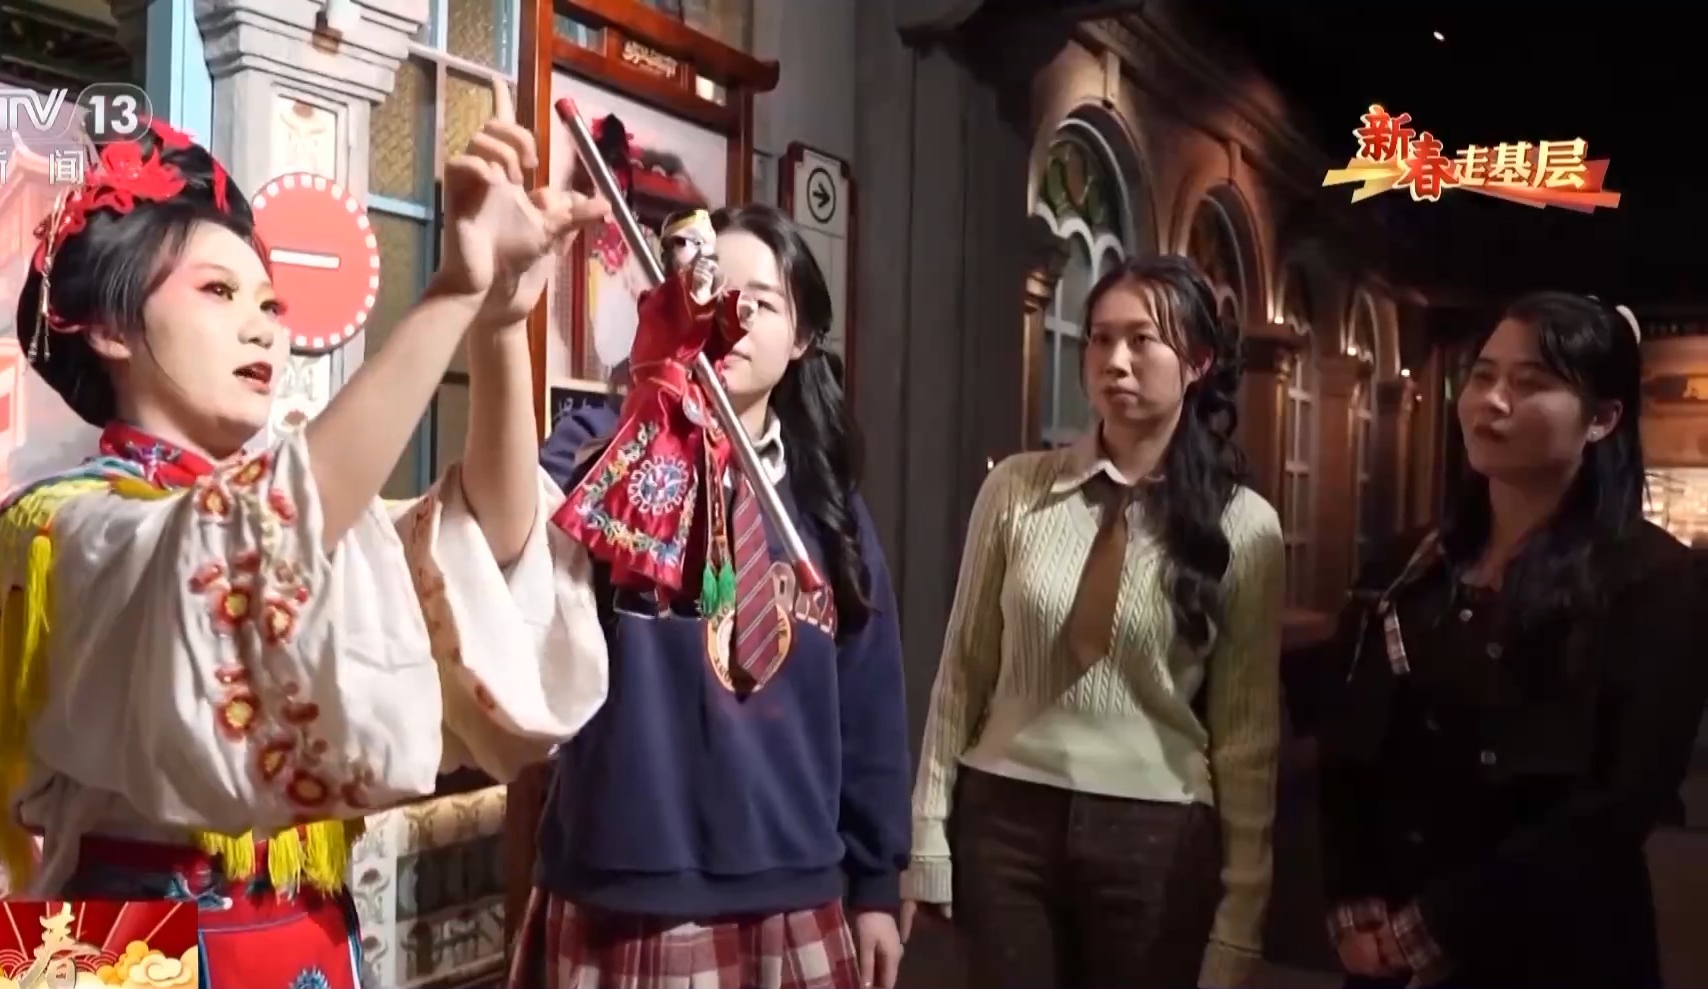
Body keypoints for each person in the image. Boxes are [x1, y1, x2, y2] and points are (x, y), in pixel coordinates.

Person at [0, 81, 613, 989]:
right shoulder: (61, 525)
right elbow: (235, 552)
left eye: (270, 305)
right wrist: (450, 294)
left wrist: (499, 323)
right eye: (219, 291)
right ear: (109, 327)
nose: (261, 327)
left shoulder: (293, 515)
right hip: (129, 953)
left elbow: (483, 558)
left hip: (308, 943)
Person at [510, 203, 911, 989]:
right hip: (622, 888)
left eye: (762, 302)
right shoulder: (597, 450)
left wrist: (874, 882)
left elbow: (869, 703)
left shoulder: (827, 504)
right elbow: (507, 544)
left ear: (801, 338)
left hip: (794, 887)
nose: (734, 315)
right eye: (711, 288)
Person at [902, 254, 1285, 989]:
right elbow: (962, 674)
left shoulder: (1244, 526)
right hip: (1005, 818)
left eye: (1142, 340)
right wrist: (928, 835)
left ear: (1198, 361)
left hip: (1156, 831)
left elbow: (1247, 738)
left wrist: (1241, 918)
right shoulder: (1016, 490)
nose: (1115, 360)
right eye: (1100, 339)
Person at [1315, 293, 1708, 988]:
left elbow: (1617, 804)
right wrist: (1352, 901)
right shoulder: (1409, 564)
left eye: (1530, 383)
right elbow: (1347, 742)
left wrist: (1432, 928)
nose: (1492, 401)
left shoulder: (1654, 580)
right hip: (1387, 947)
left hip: (1558, 949)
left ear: (1602, 418)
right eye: (1483, 375)